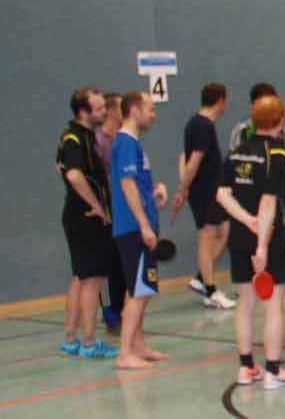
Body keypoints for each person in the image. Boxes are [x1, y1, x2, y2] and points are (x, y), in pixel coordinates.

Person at [216, 95, 285, 389]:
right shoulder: (278, 153)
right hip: (269, 237)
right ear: (281, 120)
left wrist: (246, 221)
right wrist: (262, 244)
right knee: (274, 302)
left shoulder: (236, 152)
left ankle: (246, 367)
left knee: (245, 301)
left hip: (240, 236)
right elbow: (268, 201)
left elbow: (222, 195)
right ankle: (273, 371)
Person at [56, 88, 119, 359]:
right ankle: (90, 342)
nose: (105, 111)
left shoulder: (84, 137)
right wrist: (96, 205)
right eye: (100, 108)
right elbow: (73, 175)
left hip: (80, 216)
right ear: (84, 112)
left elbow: (61, 167)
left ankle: (70, 338)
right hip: (86, 218)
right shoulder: (75, 138)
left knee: (80, 278)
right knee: (93, 280)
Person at [110, 91, 171, 369]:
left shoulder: (133, 144)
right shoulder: (125, 143)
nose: (153, 115)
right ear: (134, 110)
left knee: (141, 288)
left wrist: (154, 196)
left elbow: (136, 188)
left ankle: (138, 345)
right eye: (151, 109)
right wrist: (144, 225)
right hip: (133, 229)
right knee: (138, 291)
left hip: (140, 225)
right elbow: (127, 185)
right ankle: (125, 354)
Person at [171, 83, 236, 310]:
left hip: (215, 191)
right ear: (220, 101)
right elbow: (192, 162)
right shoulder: (202, 125)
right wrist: (182, 190)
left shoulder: (202, 124)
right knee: (207, 237)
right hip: (204, 192)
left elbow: (184, 157)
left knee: (225, 231)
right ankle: (210, 291)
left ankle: (200, 278)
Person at [95, 92, 128, 334]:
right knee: (107, 267)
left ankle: (122, 311)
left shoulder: (122, 140)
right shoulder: (99, 142)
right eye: (121, 106)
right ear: (110, 111)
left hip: (123, 212)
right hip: (106, 214)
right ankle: (109, 315)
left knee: (122, 265)